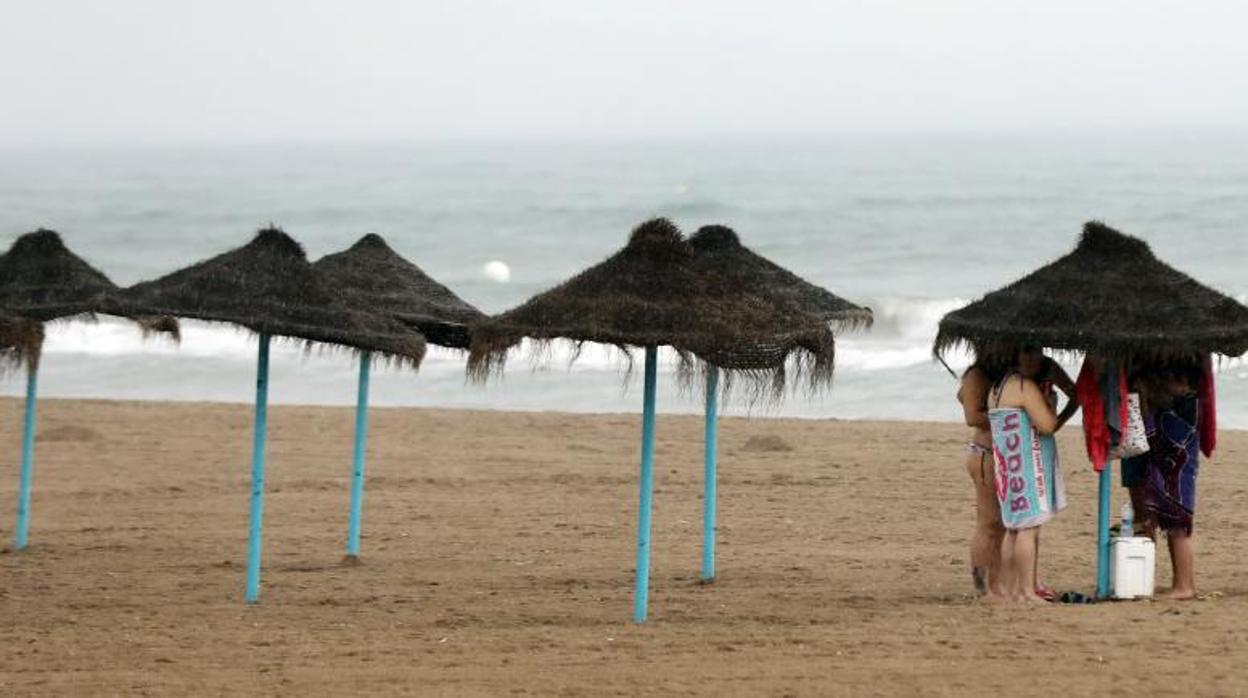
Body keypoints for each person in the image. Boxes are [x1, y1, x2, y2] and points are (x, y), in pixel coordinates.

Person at [988, 353, 1064, 604]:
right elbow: (1047, 425)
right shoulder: (1023, 387)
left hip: (1008, 464)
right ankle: (1026, 592)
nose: (1037, 359)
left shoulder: (997, 388)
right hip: (1026, 463)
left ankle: (1011, 590)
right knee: (1028, 528)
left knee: (1013, 528)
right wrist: (1052, 404)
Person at [1138, 359, 1203, 600]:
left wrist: (1146, 404)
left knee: (1178, 530)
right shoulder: (1189, 405)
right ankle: (1181, 583)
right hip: (1177, 477)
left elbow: (1155, 438)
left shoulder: (1182, 411)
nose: (1164, 387)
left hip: (1177, 479)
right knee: (1175, 529)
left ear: (1185, 384)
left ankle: (1184, 586)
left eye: (1170, 382)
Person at [957, 351, 1008, 598]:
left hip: (1001, 453)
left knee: (1001, 525)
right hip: (985, 453)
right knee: (988, 523)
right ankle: (982, 586)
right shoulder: (977, 375)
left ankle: (995, 583)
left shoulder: (1001, 373)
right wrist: (1012, 418)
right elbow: (972, 417)